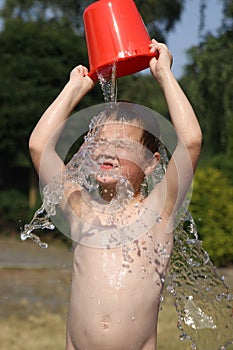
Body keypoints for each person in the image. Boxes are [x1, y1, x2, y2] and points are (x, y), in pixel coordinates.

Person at [29, 39, 202, 350]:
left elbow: (190, 142)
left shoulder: (158, 213)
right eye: (100, 141)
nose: (107, 151)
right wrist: (75, 89)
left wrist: (164, 75)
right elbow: (39, 146)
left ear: (151, 163)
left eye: (124, 146)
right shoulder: (82, 209)